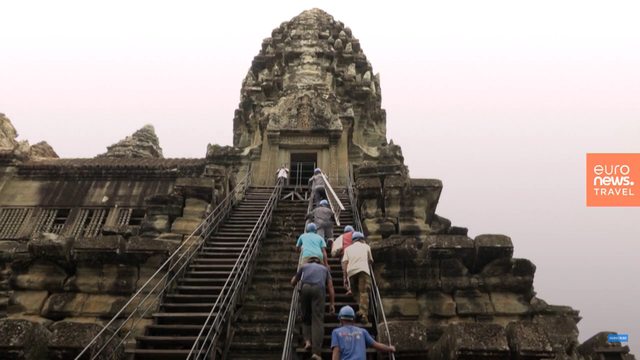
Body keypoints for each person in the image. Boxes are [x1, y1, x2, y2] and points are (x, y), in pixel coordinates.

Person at [291, 255, 336, 360]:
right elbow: (330, 286)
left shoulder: (304, 266)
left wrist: (295, 282)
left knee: (305, 317)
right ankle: (316, 352)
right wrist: (332, 304)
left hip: (305, 288)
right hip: (319, 289)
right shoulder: (324, 269)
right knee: (317, 319)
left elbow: (293, 281)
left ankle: (307, 341)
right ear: (319, 262)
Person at [331, 306, 396, 360]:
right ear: (353, 320)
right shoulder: (362, 331)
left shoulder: (336, 332)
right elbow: (377, 345)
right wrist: (389, 348)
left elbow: (337, 351)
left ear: (341, 320)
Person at [341, 232, 373, 324]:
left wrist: (345, 278)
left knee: (355, 292)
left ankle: (362, 309)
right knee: (363, 292)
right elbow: (370, 260)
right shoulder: (366, 246)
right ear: (361, 239)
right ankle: (363, 314)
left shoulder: (348, 249)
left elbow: (345, 263)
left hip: (351, 272)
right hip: (363, 271)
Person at [331, 225, 355, 295]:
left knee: (347, 271)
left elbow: (335, 248)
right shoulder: (355, 234)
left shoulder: (341, 237)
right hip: (355, 253)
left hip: (344, 255)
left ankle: (350, 288)